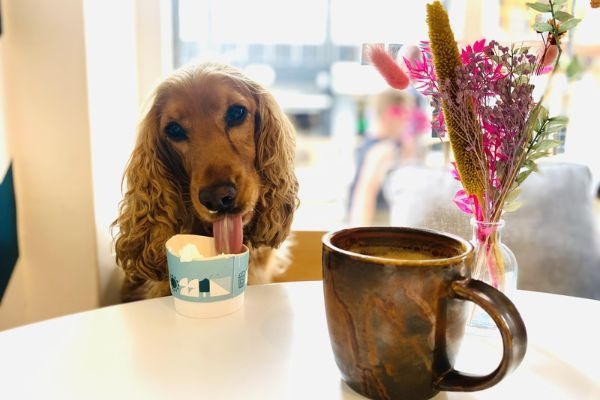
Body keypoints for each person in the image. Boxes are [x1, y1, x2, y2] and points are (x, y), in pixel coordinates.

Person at [347, 88, 428, 226]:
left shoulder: (371, 143)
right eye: (404, 114)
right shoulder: (385, 150)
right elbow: (365, 195)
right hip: (377, 224)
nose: (407, 121)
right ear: (388, 115)